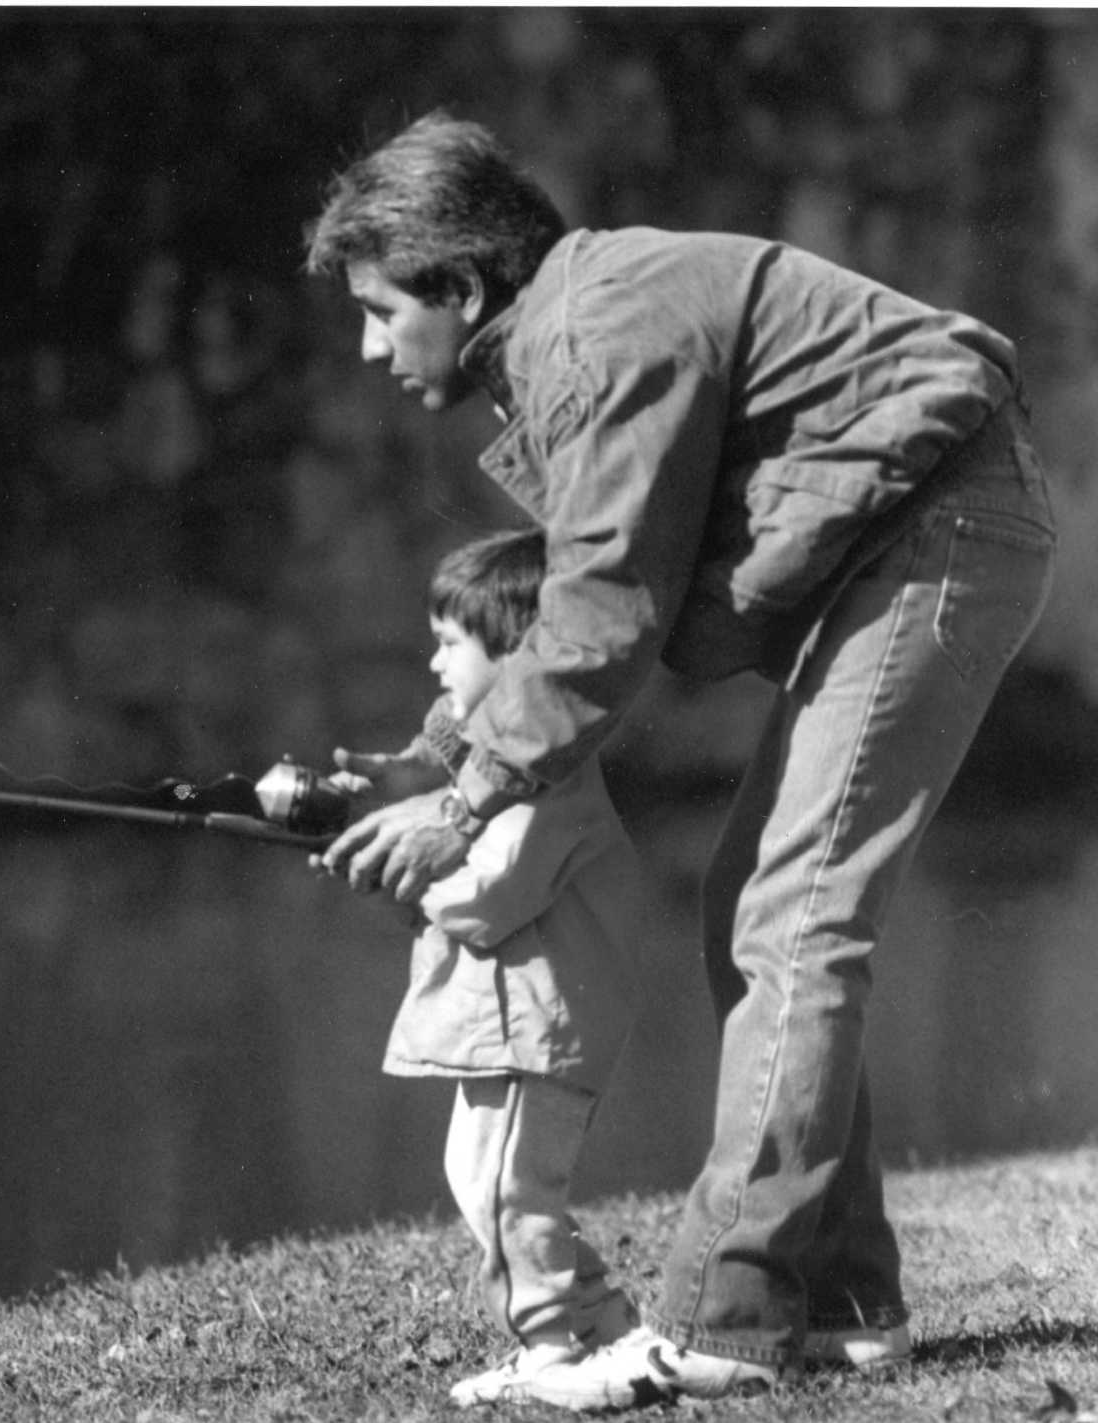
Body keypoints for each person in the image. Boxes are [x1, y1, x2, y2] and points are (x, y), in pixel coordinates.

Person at [302, 112, 1057, 1411]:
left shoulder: (596, 334)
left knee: (793, 917)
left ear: (463, 286)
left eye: (380, 311)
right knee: (754, 909)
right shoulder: (570, 332)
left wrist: (469, 799)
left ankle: (737, 1309)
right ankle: (842, 1302)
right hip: (919, 540)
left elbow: (606, 619)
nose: (371, 346)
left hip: (943, 533)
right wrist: (426, 759)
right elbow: (583, 594)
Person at [338, 527, 645, 1408]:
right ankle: (599, 1326)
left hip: (541, 1024)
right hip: (511, 1021)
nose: (434, 664)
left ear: (511, 656)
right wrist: (393, 813)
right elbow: (452, 799)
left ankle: (554, 1349)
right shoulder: (492, 765)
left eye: (448, 644)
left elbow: (492, 893)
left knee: (508, 1187)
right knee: (482, 1179)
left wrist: (399, 877)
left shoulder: (539, 777)